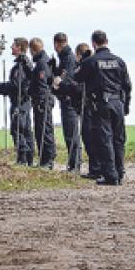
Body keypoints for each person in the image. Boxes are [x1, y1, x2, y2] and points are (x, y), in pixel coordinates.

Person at [57, 30, 131, 185]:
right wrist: (126, 105)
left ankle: (111, 175)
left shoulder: (91, 61)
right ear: (107, 41)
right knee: (118, 139)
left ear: (94, 43)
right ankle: (120, 171)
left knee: (105, 139)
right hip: (118, 102)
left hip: (101, 103)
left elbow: (75, 79)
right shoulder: (119, 61)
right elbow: (127, 85)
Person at [0, 37, 34, 166]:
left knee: (18, 129)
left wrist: (3, 87)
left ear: (19, 48)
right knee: (25, 129)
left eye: (13, 46)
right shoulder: (23, 64)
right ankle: (28, 158)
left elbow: (17, 85)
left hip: (20, 102)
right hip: (23, 101)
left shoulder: (21, 65)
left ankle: (23, 158)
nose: (11, 48)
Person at [52, 33, 82, 172]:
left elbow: (68, 80)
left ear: (57, 44)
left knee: (71, 133)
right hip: (65, 98)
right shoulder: (64, 57)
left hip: (69, 99)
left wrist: (58, 85)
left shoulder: (68, 58)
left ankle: (75, 163)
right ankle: (73, 162)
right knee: (68, 133)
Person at [29, 38, 56, 169]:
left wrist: (39, 99)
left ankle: (47, 160)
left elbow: (42, 84)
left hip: (42, 100)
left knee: (44, 130)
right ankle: (43, 159)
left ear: (32, 50)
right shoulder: (43, 61)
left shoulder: (42, 63)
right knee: (41, 130)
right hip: (42, 100)